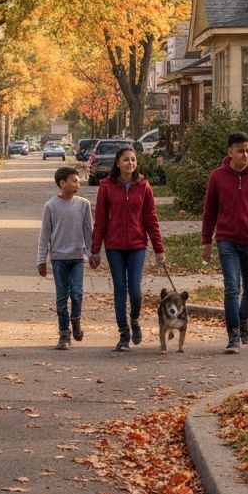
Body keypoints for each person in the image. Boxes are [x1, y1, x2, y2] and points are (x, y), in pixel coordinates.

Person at [201, 131, 248, 355]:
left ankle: (242, 319)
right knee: (232, 287)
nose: (245, 155)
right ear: (230, 152)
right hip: (227, 240)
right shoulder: (218, 176)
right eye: (240, 151)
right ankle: (233, 334)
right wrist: (207, 242)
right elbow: (210, 212)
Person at [90, 146, 166, 352]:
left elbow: (151, 219)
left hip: (137, 245)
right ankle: (123, 334)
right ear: (118, 163)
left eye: (133, 160)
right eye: (126, 160)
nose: (130, 163)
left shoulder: (143, 186)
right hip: (114, 245)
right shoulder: (106, 186)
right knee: (119, 290)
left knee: (135, 289)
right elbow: (101, 221)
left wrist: (159, 249)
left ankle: (134, 319)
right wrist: (95, 249)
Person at [37, 165, 93, 350]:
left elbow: (88, 231)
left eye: (78, 180)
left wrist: (92, 254)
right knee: (61, 299)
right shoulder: (51, 206)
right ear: (62, 183)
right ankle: (64, 335)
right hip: (58, 258)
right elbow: (45, 234)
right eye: (74, 180)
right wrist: (41, 260)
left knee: (76, 294)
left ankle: (75, 321)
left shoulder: (83, 204)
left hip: (77, 257)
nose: (78, 183)